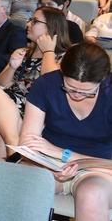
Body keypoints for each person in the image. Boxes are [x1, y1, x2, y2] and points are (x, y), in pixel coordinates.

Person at [21, 43, 112, 221]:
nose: (77, 95)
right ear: (62, 73)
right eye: (69, 88)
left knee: (92, 195)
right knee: (25, 187)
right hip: (48, 162)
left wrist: (63, 155)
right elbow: (28, 140)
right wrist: (49, 164)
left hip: (99, 170)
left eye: (87, 92)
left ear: (102, 80)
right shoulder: (47, 84)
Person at [0, 6, 71, 160]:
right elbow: (1, 83)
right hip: (12, 104)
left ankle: (10, 157)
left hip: (37, 108)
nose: (28, 24)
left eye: (35, 21)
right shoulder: (25, 51)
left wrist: (48, 51)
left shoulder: (65, 56)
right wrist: (11, 66)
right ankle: (14, 145)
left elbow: (52, 84)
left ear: (51, 27)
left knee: (0, 124)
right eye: (30, 20)